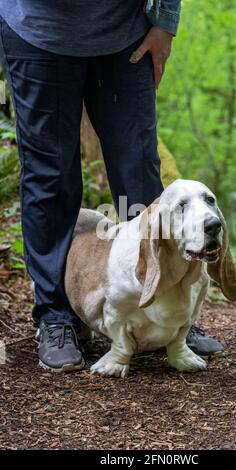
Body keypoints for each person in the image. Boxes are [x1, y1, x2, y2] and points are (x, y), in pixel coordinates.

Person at [0, 0, 223, 372]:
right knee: (50, 178)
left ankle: (168, 317)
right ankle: (56, 318)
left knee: (138, 175)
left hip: (127, 37)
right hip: (36, 35)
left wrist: (165, 22)